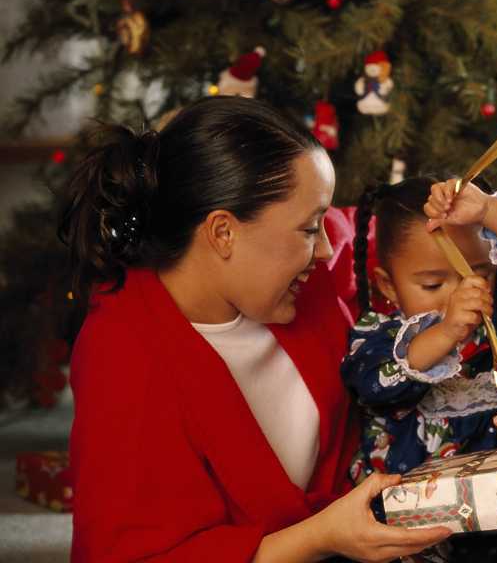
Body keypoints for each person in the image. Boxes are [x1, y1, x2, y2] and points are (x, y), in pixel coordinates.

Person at [62, 96, 450, 562]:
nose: (327, 249)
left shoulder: (299, 281)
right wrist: (321, 537)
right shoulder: (124, 357)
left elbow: (388, 246)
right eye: (309, 229)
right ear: (223, 233)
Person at [343, 175, 497, 485]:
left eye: (477, 274)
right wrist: (447, 332)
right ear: (389, 285)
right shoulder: (378, 335)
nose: (459, 295)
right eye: (432, 284)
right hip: (407, 516)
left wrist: (489, 210)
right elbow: (372, 383)